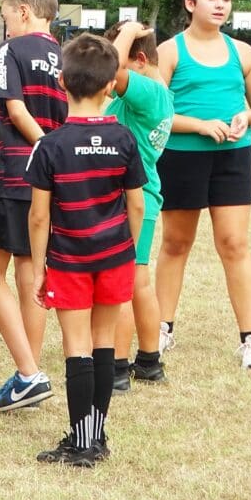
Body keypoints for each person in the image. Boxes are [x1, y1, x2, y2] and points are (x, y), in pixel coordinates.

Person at [27, 34, 146, 467]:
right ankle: (96, 436)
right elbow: (136, 202)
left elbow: (39, 217)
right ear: (110, 85)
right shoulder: (124, 139)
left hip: (69, 260)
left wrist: (39, 268)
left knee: (75, 345)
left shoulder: (51, 146)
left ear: (61, 81)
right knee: (103, 344)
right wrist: (127, 248)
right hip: (116, 258)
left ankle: (81, 444)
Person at [154, 0, 251, 369]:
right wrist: (200, 125)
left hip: (234, 158)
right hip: (182, 158)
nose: (220, 5)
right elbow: (156, 112)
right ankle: (161, 328)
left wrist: (246, 118)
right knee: (175, 244)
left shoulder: (243, 53)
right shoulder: (168, 51)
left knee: (234, 244)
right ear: (191, 2)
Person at [0, 0, 67, 412]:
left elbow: (15, 108)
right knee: (31, 273)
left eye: (7, 17)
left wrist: (45, 151)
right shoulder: (65, 57)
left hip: (15, 174)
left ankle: (30, 372)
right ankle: (28, 376)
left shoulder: (12, 50)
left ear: (25, 12)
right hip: (52, 186)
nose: (5, 26)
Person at [103, 21, 173, 392]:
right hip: (140, 198)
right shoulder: (151, 93)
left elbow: (112, 71)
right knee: (138, 282)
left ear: (140, 60)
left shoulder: (146, 90)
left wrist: (127, 30)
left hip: (133, 200)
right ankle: (148, 360)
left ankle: (115, 367)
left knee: (125, 284)